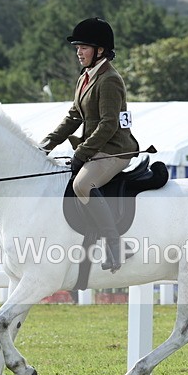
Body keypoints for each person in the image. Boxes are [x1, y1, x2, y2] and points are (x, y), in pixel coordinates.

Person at [39, 17, 139, 273]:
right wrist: (44, 147)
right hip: (98, 147)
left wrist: (82, 153)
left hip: (116, 149)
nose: (78, 52)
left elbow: (107, 125)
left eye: (83, 47)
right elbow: (74, 116)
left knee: (83, 184)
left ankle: (116, 247)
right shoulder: (85, 77)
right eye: (77, 48)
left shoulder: (109, 80)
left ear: (100, 50)